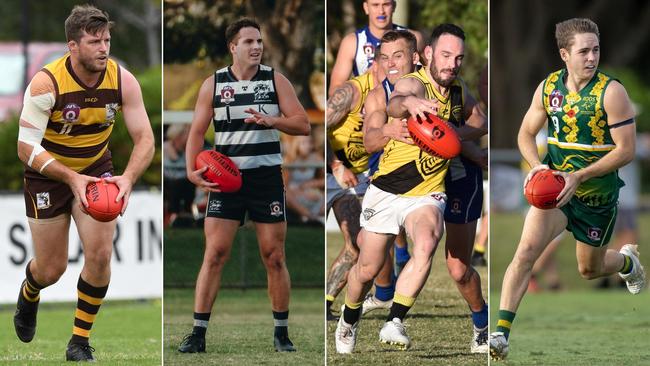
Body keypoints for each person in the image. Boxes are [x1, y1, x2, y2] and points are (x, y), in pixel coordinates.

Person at [490, 18, 646, 361]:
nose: (592, 58)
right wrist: (537, 166)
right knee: (526, 251)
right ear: (564, 54)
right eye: (584, 51)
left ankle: (625, 262)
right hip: (557, 195)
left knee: (588, 270)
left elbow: (626, 150)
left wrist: (581, 176)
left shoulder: (612, 92)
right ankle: (500, 333)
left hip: (597, 198)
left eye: (596, 50)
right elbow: (525, 135)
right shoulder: (549, 89)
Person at [13, 5, 155, 362]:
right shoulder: (47, 82)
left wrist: (127, 177)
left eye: (106, 39)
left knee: (101, 254)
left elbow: (146, 139)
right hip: (48, 173)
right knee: (51, 269)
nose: (103, 48)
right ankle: (30, 291)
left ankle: (79, 341)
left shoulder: (123, 80)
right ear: (72, 46)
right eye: (94, 42)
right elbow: (24, 146)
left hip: (96, 170)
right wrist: (70, 177)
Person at [335, 24, 486, 353]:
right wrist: (405, 112)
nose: (452, 63)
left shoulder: (458, 89)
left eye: (458, 57)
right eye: (446, 55)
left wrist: (450, 136)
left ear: (415, 56)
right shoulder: (408, 85)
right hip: (387, 188)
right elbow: (398, 100)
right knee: (368, 268)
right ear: (429, 56)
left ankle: (395, 321)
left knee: (429, 241)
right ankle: (348, 319)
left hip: (428, 191)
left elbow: (480, 121)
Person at [178, 18, 310, 354]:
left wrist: (273, 120)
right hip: (226, 178)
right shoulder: (214, 84)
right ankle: (197, 334)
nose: (256, 47)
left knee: (274, 256)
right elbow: (196, 132)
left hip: (266, 179)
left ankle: (281, 333)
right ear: (233, 47)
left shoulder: (274, 80)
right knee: (215, 254)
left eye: (259, 41)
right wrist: (192, 171)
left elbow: (303, 124)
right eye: (248, 41)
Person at [325, 56, 383, 321]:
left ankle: (325, 304)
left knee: (358, 244)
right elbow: (315, 128)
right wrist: (335, 164)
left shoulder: (394, 94)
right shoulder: (351, 91)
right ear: (374, 64)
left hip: (357, 178)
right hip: (325, 171)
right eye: (388, 63)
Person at [328, 0, 423, 96]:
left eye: (386, 4)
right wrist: (365, 80)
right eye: (375, 5)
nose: (381, 11)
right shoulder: (352, 42)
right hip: (366, 105)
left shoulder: (414, 38)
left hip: (406, 103)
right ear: (366, 7)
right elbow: (334, 89)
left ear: (394, 6)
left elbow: (430, 76)